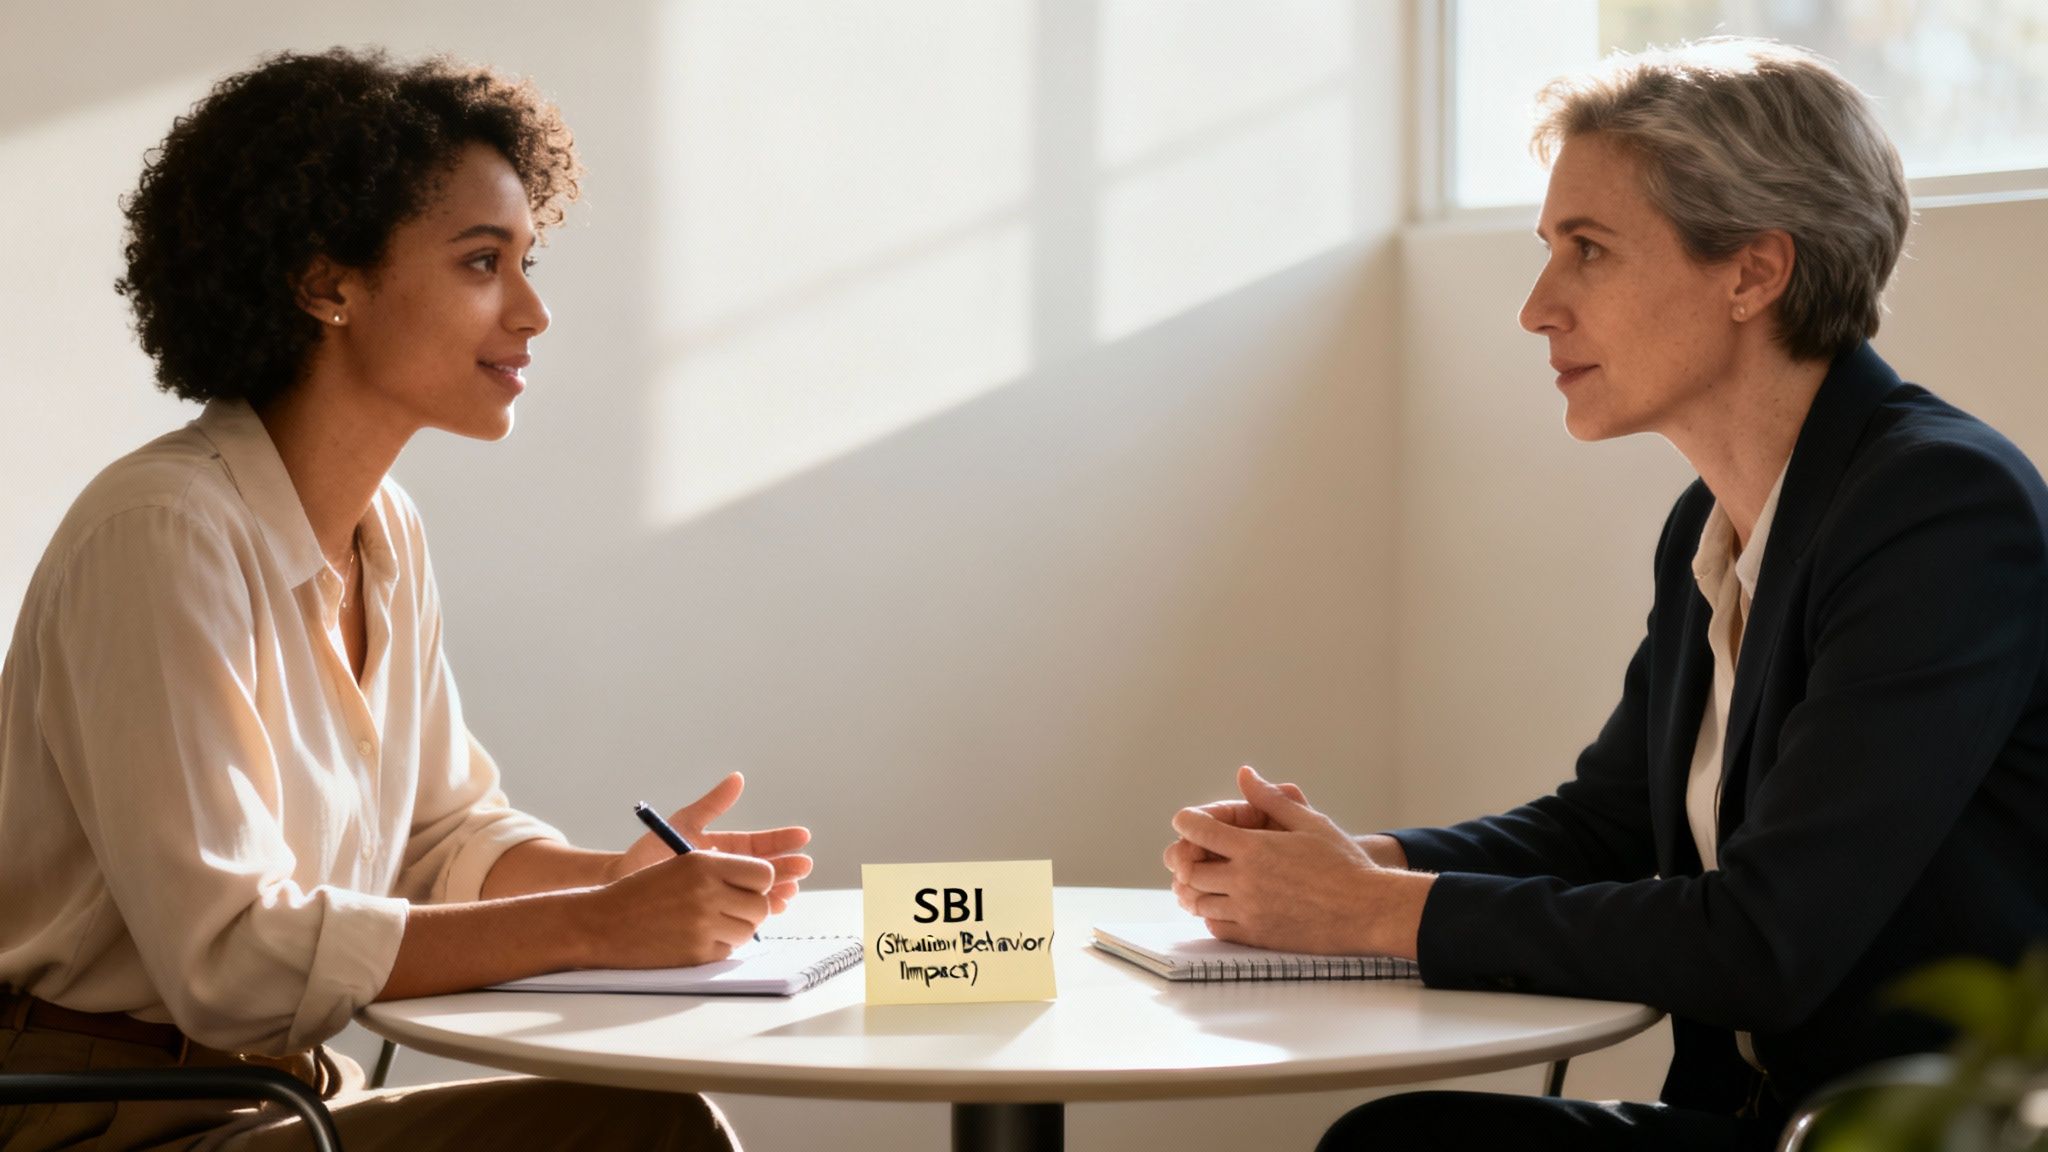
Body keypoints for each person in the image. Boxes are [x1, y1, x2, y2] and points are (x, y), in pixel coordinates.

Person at [1163, 38, 2048, 1151]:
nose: (1537, 307)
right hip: (1753, 1118)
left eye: (1586, 250)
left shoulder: (1938, 510)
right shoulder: (1717, 518)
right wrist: (1354, 862)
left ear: (1751, 272)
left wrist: (1365, 913)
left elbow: (1767, 940)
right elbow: (1607, 825)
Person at [0, 48, 814, 1150]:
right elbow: (231, 959)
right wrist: (595, 924)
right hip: (109, 1124)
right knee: (646, 1138)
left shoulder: (385, 531)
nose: (533, 312)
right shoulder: (163, 535)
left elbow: (441, 838)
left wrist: (617, 880)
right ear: (325, 283)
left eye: (527, 261)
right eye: (484, 262)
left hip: (285, 1098)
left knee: (652, 1124)